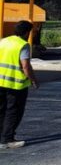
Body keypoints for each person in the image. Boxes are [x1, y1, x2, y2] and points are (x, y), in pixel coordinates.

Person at [0, 21, 40, 149]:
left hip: (0, 82)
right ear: (27, 32)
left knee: (1, 110)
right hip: (15, 85)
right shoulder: (23, 45)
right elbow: (26, 66)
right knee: (13, 112)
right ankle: (7, 140)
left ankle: (2, 138)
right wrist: (33, 80)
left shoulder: (3, 41)